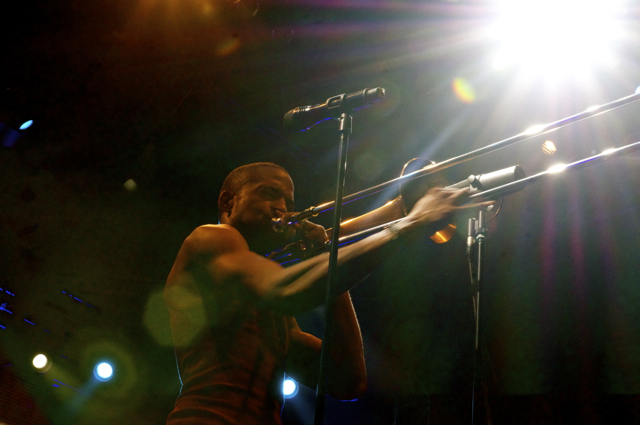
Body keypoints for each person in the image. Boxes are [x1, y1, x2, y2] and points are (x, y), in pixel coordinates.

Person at [164, 162, 485, 424]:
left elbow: (347, 380)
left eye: (289, 202)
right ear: (227, 202)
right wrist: (409, 225)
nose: (283, 208)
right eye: (269, 193)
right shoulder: (211, 238)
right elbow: (285, 288)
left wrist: (325, 254)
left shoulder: (270, 313)